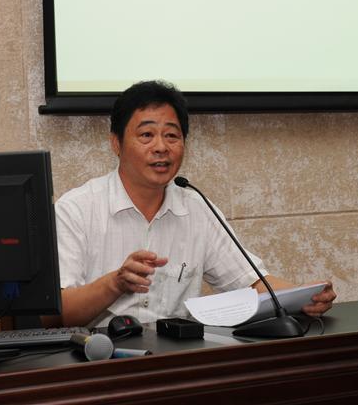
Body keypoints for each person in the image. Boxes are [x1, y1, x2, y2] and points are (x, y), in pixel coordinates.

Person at [53, 80, 336, 328]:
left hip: (178, 355)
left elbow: (252, 283)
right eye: (146, 135)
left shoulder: (196, 207)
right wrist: (114, 283)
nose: (161, 147)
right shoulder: (77, 210)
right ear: (116, 143)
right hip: (98, 357)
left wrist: (305, 297)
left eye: (172, 136)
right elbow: (56, 313)